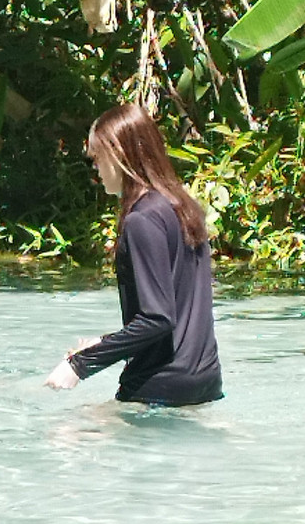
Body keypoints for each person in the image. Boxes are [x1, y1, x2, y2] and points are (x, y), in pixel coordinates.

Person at [45, 103, 222, 405]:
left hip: (160, 385)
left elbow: (157, 319)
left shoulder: (142, 220)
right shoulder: (183, 206)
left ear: (119, 154)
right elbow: (176, 308)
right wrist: (107, 342)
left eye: (97, 157)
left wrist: (81, 364)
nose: (96, 169)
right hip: (206, 380)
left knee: (64, 437)